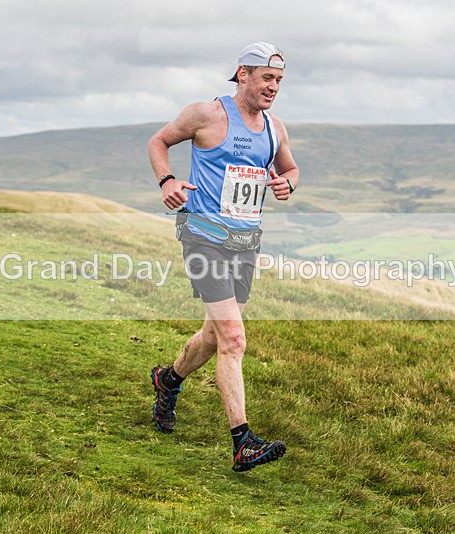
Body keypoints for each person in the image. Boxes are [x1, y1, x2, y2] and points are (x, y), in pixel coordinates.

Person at [147, 42, 300, 472]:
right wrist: (167, 181)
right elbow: (159, 141)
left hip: (245, 242)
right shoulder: (207, 114)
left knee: (215, 337)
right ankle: (243, 442)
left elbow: (290, 169)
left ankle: (168, 380)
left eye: (279, 81)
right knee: (234, 339)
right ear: (243, 74)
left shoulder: (275, 129)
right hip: (204, 238)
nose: (273, 87)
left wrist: (288, 184)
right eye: (267, 78)